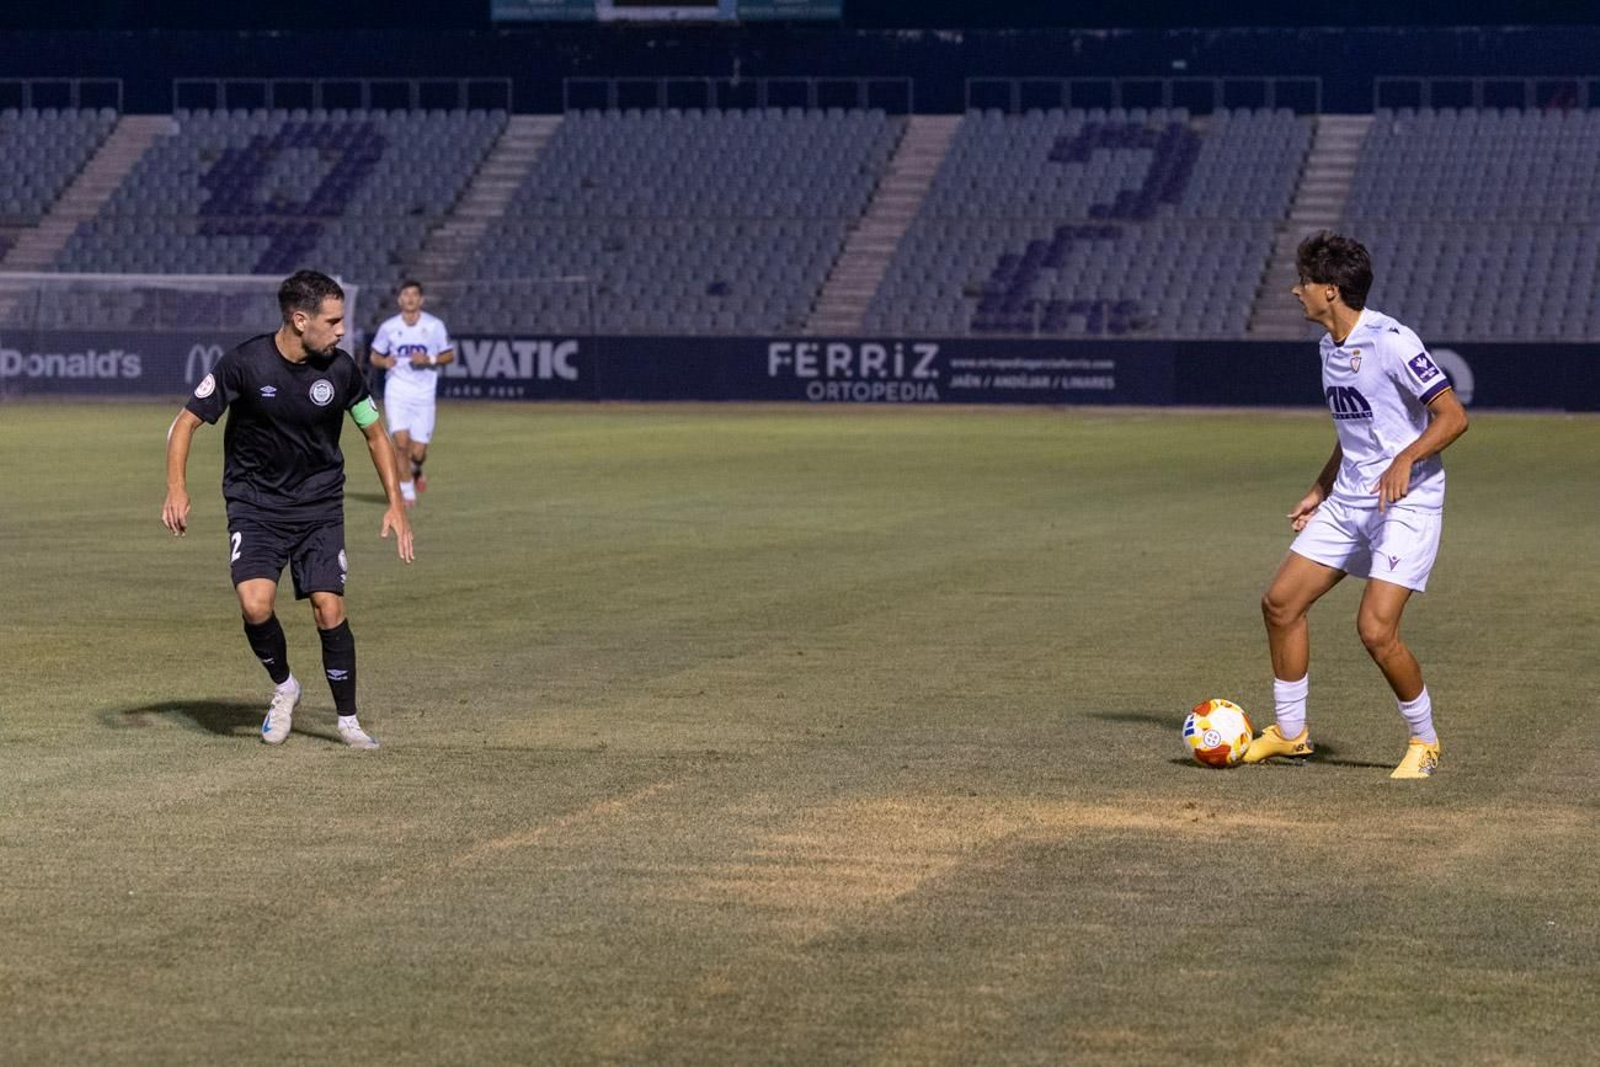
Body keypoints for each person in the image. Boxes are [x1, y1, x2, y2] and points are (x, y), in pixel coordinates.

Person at [1247, 231, 1469, 778]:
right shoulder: (1329, 345)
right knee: (1280, 604)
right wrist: (1321, 488)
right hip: (1349, 499)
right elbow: (1355, 431)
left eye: (1304, 281)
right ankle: (1291, 733)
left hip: (1406, 502)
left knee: (1375, 630)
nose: (1296, 290)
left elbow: (1452, 417)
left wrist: (1405, 460)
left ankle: (1425, 740)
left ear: (1331, 289)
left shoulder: (1392, 340)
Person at [162, 270, 415, 749]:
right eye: (334, 321)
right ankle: (285, 687)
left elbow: (375, 434)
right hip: (255, 504)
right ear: (300, 320)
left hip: (319, 505)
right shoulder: (245, 364)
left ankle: (347, 720)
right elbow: (185, 423)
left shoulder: (341, 371)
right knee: (255, 605)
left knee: (328, 606)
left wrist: (396, 504)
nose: (342, 331)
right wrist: (176, 487)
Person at [368, 280, 453, 508]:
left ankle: (417, 469)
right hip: (397, 391)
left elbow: (448, 355)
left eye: (414, 295)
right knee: (401, 445)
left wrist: (430, 359)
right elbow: (374, 356)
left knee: (418, 452)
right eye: (405, 294)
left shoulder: (434, 326)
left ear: (421, 300)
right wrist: (385, 361)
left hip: (424, 395)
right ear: (399, 299)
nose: (410, 298)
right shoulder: (389, 327)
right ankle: (406, 493)